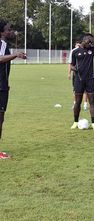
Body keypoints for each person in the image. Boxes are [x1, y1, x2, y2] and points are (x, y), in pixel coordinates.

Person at [0, 20, 27, 159]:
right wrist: (15, 55)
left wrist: (6, 83)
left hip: (3, 86)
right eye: (8, 29)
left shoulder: (5, 45)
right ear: (2, 32)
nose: (11, 31)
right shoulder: (1, 43)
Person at [69, 33, 94, 130]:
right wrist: (74, 69)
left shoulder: (92, 50)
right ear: (84, 40)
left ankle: (93, 123)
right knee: (77, 102)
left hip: (90, 79)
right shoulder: (75, 51)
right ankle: (75, 122)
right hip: (79, 80)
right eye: (89, 41)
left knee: (92, 102)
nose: (90, 43)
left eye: (91, 41)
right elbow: (71, 65)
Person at [68, 40, 89, 111]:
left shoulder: (84, 51)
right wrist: (69, 73)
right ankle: (76, 104)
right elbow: (71, 64)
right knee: (76, 90)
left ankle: (85, 105)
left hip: (83, 74)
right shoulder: (74, 51)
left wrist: (69, 73)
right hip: (77, 74)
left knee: (84, 90)